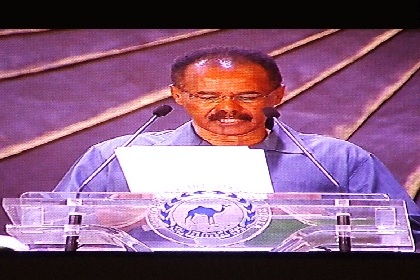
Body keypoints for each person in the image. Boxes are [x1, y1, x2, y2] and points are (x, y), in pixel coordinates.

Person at [53, 46, 420, 248]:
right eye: (207, 95)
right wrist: (103, 220)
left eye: (247, 95)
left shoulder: (336, 160)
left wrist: (327, 218)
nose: (227, 108)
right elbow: (47, 233)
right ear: (178, 96)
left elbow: (411, 236)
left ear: (277, 95)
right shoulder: (114, 157)